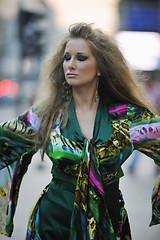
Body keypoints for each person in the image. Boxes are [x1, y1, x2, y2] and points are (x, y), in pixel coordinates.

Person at [0, 22, 160, 240]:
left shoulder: (126, 117)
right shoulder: (47, 115)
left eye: (81, 58)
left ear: (101, 68)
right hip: (51, 224)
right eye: (67, 58)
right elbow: (4, 144)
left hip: (108, 226)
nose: (70, 65)